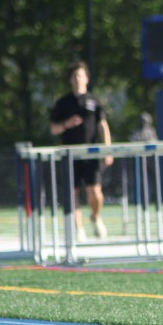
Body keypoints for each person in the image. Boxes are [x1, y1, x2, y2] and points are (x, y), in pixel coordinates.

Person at [49, 61, 113, 242]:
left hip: (91, 154)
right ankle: (78, 228)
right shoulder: (63, 103)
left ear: (87, 78)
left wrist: (108, 150)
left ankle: (95, 216)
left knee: (95, 192)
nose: (78, 79)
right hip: (70, 155)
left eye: (81, 75)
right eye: (74, 76)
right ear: (70, 80)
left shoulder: (94, 101)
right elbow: (53, 128)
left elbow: (103, 125)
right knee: (73, 192)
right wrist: (66, 124)